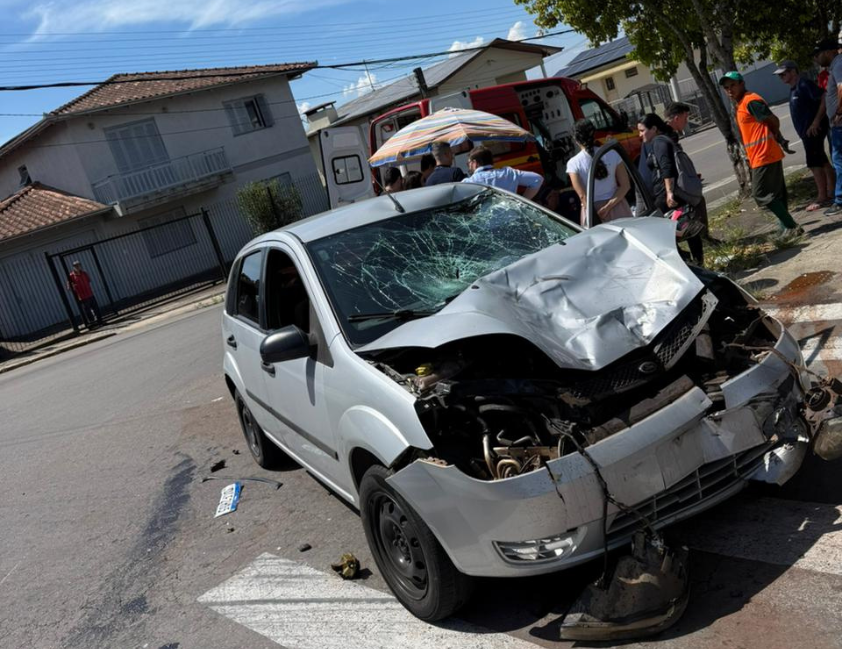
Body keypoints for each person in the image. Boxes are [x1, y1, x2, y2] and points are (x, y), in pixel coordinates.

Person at [719, 71, 803, 236]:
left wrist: (778, 137)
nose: (730, 90)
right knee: (777, 193)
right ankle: (785, 227)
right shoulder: (742, 103)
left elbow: (773, 120)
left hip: (764, 154)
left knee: (760, 194)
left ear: (742, 84)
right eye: (726, 88)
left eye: (733, 86)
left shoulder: (750, 101)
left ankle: (791, 226)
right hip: (763, 154)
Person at [638, 113, 705, 263]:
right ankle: (695, 261)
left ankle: (686, 260)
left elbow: (666, 168)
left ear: (654, 128)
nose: (640, 134)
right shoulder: (659, 141)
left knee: (650, 225)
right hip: (668, 192)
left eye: (642, 130)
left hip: (667, 193)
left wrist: (669, 193)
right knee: (685, 224)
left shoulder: (659, 142)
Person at [775, 60, 835, 211]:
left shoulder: (804, 84)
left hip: (812, 132)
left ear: (793, 71)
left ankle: (823, 196)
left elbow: (823, 97)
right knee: (822, 161)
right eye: (779, 75)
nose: (781, 77)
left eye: (784, 73)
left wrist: (816, 122)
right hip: (806, 133)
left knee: (814, 164)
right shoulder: (794, 88)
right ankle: (832, 190)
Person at [565, 118, 632, 226]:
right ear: (594, 134)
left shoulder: (573, 163)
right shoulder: (613, 154)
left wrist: (595, 215)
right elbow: (625, 185)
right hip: (617, 206)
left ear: (575, 139)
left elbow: (583, 196)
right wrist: (608, 207)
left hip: (593, 212)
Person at [664, 102, 713, 243]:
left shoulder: (666, 134)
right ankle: (703, 238)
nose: (686, 122)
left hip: (674, 182)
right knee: (697, 200)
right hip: (673, 184)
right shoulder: (668, 136)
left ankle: (702, 237)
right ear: (676, 118)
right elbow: (670, 164)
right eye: (685, 118)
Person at [814, 38, 842, 216]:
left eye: (818, 54)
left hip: (840, 123)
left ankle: (840, 200)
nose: (817, 58)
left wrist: (839, 112)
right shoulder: (835, 66)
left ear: (829, 52)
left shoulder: (838, 63)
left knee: (839, 161)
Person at [461, 145, 544, 199]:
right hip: (512, 221)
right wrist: (523, 202)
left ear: (475, 163)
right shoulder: (509, 173)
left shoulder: (469, 183)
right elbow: (537, 179)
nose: (468, 167)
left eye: (468, 163)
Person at [66, 260, 102, 328]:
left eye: (79, 265)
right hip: (82, 297)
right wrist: (74, 287)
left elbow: (88, 281)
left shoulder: (84, 273)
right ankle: (92, 323)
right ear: (73, 267)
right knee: (87, 311)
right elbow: (69, 287)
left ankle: (100, 321)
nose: (78, 267)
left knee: (96, 309)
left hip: (90, 293)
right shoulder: (71, 276)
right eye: (76, 266)